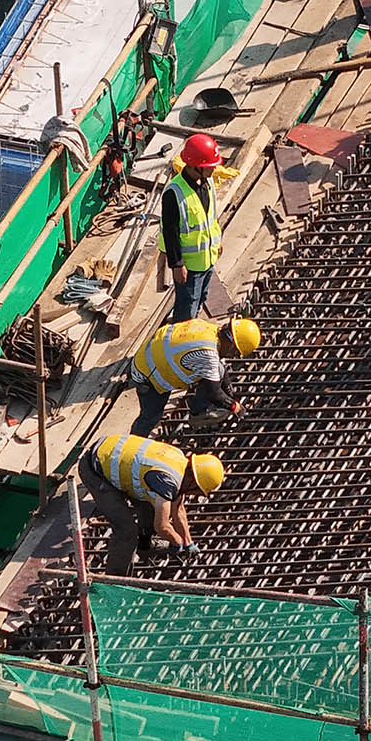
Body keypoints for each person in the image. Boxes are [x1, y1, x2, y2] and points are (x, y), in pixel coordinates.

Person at [83, 432, 223, 569]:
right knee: (126, 530)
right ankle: (115, 578)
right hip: (95, 469)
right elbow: (162, 526)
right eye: (198, 491)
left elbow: (178, 509)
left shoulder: (180, 464)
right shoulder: (167, 482)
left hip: (111, 449)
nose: (195, 495)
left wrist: (188, 542)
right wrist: (177, 542)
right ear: (193, 481)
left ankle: (144, 546)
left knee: (151, 507)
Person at [127, 316, 260, 436]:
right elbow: (214, 393)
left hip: (154, 355)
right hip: (148, 375)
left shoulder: (210, 329)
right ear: (232, 345)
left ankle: (198, 411)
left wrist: (231, 396)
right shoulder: (208, 355)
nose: (232, 356)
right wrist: (235, 407)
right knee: (150, 417)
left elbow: (222, 372)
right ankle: (132, 444)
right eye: (234, 353)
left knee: (218, 370)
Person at [163, 133, 223, 321]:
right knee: (187, 305)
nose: (213, 169)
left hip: (208, 257)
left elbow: (210, 217)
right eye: (210, 166)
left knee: (201, 297)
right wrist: (177, 265)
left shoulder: (208, 182)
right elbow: (170, 232)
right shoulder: (174, 193)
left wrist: (217, 243)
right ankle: (181, 334)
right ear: (196, 166)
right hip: (189, 265)